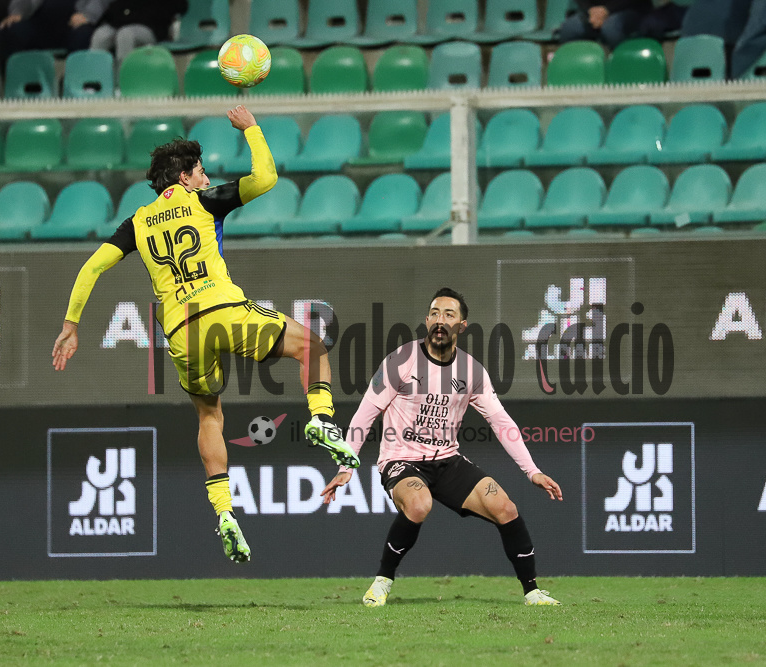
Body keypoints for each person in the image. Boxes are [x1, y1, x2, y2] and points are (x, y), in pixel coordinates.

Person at [52, 105, 360, 565]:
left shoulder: (135, 222)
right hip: (221, 307)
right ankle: (320, 418)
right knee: (311, 346)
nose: (206, 175)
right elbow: (267, 178)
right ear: (183, 177)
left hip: (179, 331)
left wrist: (72, 324)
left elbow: (92, 266)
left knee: (209, 417)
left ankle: (225, 513)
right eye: (200, 170)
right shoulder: (204, 200)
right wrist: (253, 129)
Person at [321, 288, 564, 607]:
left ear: (462, 325)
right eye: (435, 313)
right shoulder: (400, 361)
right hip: (401, 460)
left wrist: (532, 471)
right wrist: (345, 467)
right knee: (419, 504)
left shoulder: (472, 371)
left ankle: (532, 592)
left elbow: (501, 422)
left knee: (506, 508)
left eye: (449, 314)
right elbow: (365, 415)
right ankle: (381, 584)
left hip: (448, 461)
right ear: (426, 321)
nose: (440, 320)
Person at [0, 0, 110, 59]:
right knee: (14, 30)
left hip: (76, 22)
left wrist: (89, 14)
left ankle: (76, 84)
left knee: (83, 34)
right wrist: (17, 12)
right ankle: (23, 86)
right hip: (40, 22)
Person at [90, 0, 188, 64]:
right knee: (101, 35)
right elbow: (116, 8)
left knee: (126, 35)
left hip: (151, 27)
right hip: (122, 23)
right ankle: (93, 83)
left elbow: (180, 6)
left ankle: (123, 83)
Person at [554, 0, 653, 49]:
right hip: (594, 12)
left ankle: (624, 71)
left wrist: (607, 10)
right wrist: (591, 10)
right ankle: (578, 76)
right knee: (569, 29)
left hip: (630, 8)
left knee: (611, 29)